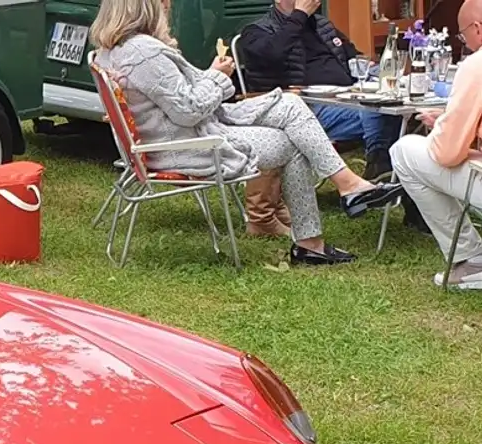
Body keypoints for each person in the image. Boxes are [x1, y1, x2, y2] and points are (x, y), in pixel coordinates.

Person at [93, 0, 406, 265]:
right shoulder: (145, 53)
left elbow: (179, 97)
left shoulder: (115, 51)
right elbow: (188, 109)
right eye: (163, 3)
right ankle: (314, 238)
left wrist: (210, 74)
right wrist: (216, 78)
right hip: (191, 145)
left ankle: (348, 189)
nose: (168, 9)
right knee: (293, 141)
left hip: (186, 133)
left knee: (290, 105)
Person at [236, 0, 404, 177]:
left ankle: (389, 167)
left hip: (347, 98)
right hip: (305, 112)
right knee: (376, 107)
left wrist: (375, 71)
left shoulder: (322, 25)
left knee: (391, 104)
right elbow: (272, 55)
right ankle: (379, 169)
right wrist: (298, 16)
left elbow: (353, 58)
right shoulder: (256, 31)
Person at [390, 0, 482, 288]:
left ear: (477, 28)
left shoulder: (476, 65)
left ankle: (470, 258)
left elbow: (446, 153)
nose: (463, 42)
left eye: (462, 34)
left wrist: (450, 130)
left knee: (405, 151)